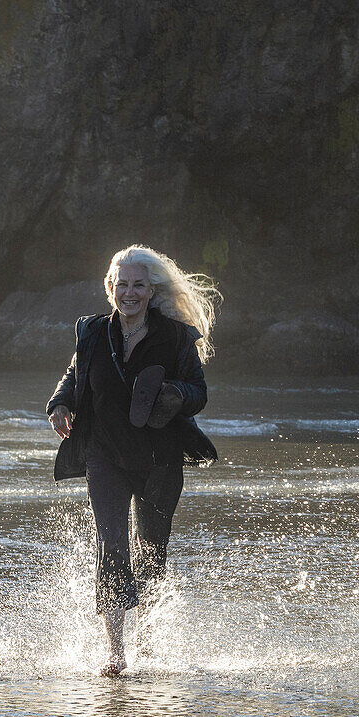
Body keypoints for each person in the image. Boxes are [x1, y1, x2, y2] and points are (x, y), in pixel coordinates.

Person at [46, 244, 220, 676]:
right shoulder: (90, 333)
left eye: (138, 285)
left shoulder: (176, 337)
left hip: (159, 459)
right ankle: (115, 650)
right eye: (121, 284)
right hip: (104, 456)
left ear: (151, 290)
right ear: (110, 288)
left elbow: (198, 393)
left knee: (152, 554)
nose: (129, 292)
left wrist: (175, 396)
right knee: (111, 546)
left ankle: (148, 642)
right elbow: (74, 375)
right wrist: (60, 404)